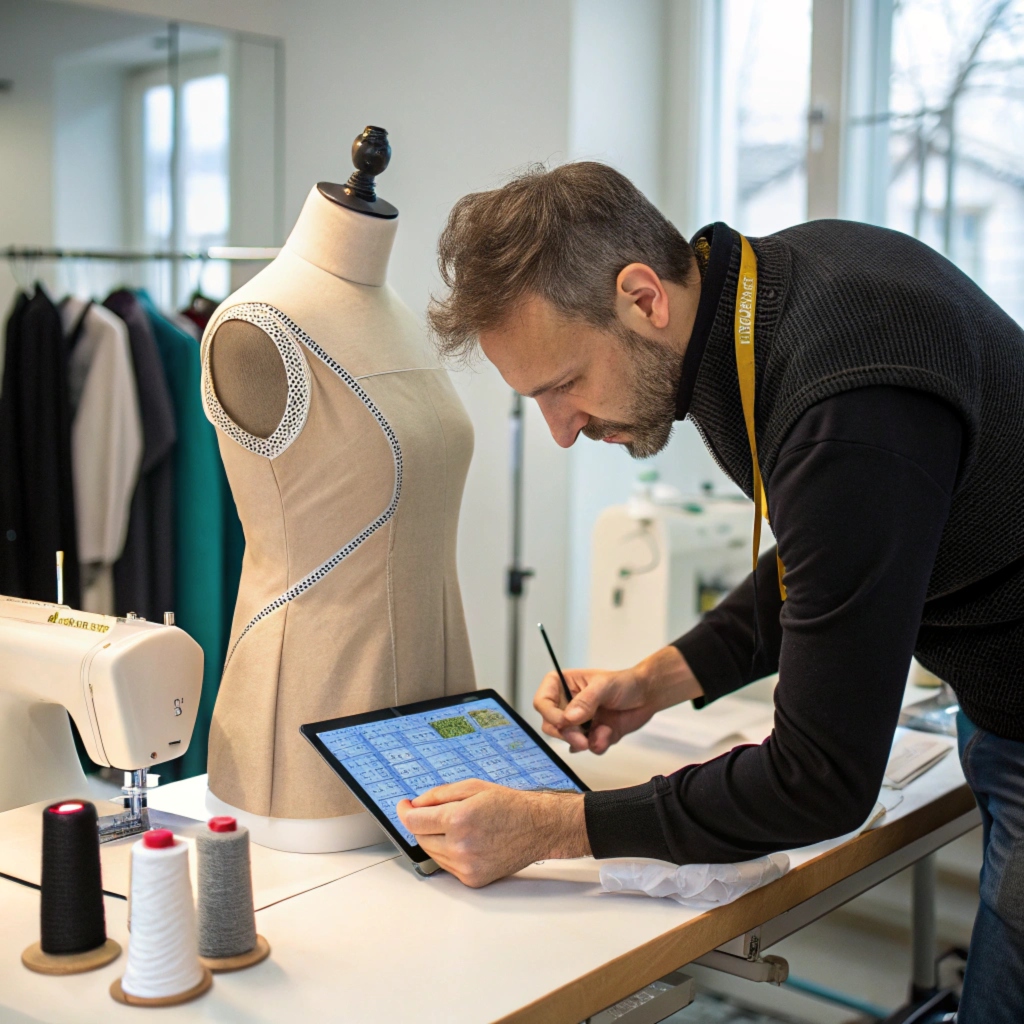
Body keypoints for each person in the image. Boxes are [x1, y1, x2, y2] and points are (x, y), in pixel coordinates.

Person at [395, 162, 1024, 1023]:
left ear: (642, 297)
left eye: (563, 385)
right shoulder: (767, 302)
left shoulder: (843, 392)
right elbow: (828, 552)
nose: (564, 432)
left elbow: (819, 782)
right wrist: (656, 679)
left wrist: (553, 827)